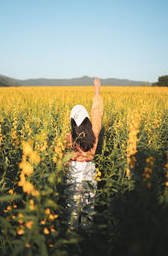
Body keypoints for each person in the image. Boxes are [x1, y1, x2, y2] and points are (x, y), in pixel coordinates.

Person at [65, 77, 103, 229]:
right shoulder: (94, 131)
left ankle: (72, 233)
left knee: (72, 205)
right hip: (90, 168)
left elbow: (65, 158)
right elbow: (97, 112)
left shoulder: (69, 136)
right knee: (88, 203)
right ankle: (87, 234)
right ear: (87, 119)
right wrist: (96, 90)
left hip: (74, 169)